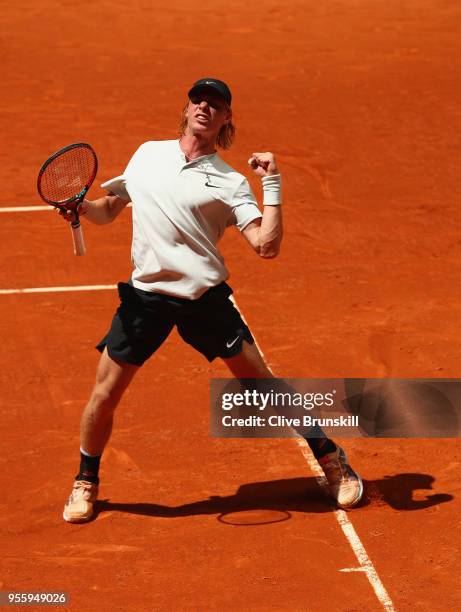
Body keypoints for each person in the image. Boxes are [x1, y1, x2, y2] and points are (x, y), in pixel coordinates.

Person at [61, 78, 363, 523]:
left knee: (261, 385)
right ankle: (85, 481)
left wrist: (273, 185)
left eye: (215, 104)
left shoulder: (231, 182)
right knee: (105, 394)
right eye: (198, 100)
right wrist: (84, 208)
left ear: (225, 120)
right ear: (186, 109)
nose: (204, 107)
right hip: (145, 298)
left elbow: (266, 245)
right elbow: (110, 207)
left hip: (203, 299)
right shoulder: (147, 154)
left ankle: (331, 457)